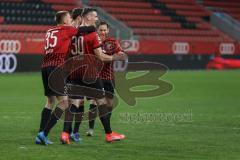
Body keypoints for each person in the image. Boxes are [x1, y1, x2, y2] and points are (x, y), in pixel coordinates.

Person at [60, 8, 127, 144]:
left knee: (74, 104)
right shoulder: (92, 35)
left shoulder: (72, 33)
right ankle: (109, 134)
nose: (96, 19)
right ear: (88, 17)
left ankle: (65, 134)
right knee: (101, 102)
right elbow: (101, 56)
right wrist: (115, 57)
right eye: (95, 16)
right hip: (90, 73)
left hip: (75, 72)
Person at [35, 10, 96, 145]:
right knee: (64, 102)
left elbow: (70, 30)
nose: (70, 19)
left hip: (45, 66)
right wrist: (91, 25)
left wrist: (75, 21)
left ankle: (40, 135)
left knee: (50, 101)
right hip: (56, 68)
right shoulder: (67, 30)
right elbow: (82, 30)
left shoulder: (50, 30)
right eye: (68, 17)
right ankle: (43, 133)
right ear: (64, 21)